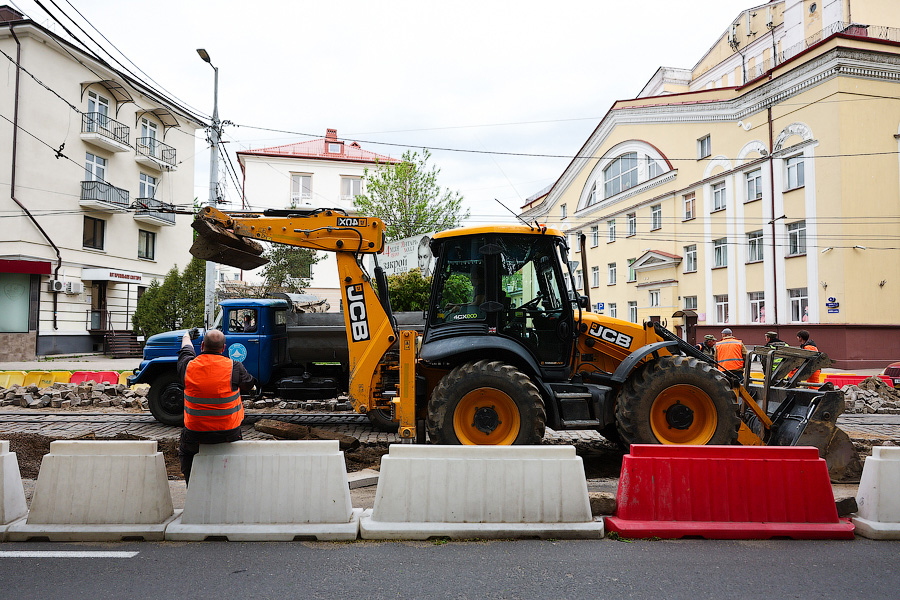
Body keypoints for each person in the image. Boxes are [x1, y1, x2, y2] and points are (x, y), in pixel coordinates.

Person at [177, 328, 255, 484]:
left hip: (195, 433)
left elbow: (186, 349)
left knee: (186, 453)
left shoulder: (188, 366)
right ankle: (230, 486)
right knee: (235, 452)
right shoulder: (235, 367)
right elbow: (249, 383)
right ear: (224, 348)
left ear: (202, 346)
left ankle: (191, 486)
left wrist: (187, 335)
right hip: (228, 433)